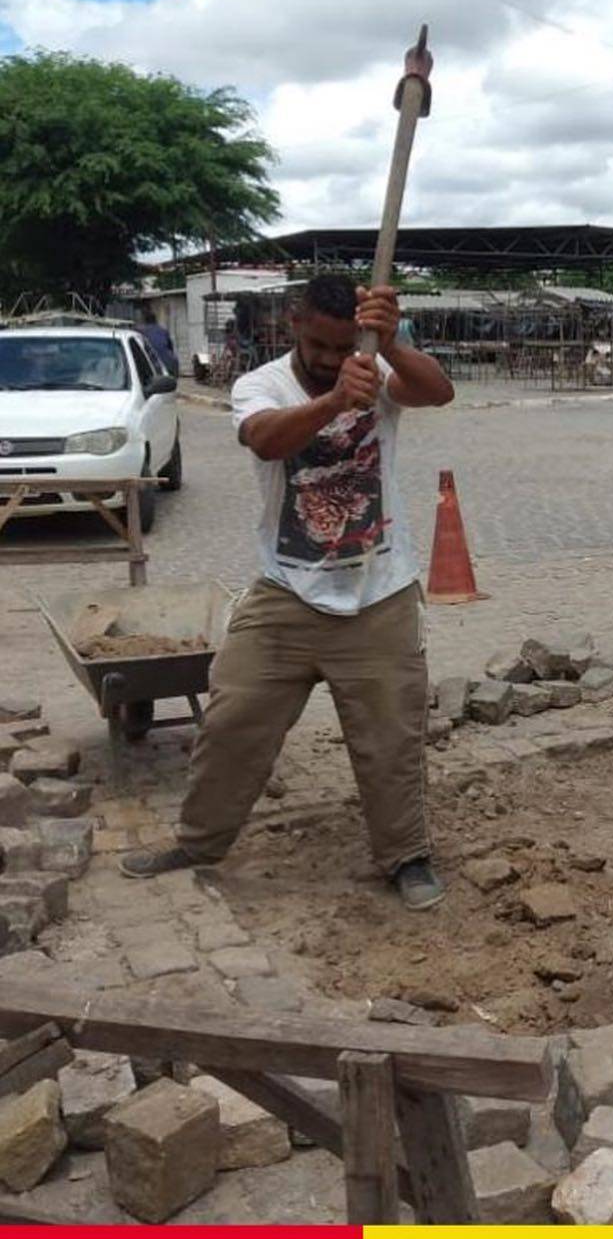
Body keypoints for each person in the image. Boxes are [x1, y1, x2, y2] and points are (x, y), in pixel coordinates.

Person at [119, 274, 455, 911]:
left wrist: (393, 345)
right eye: (320, 345)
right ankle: (199, 842)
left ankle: (406, 855)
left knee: (392, 739)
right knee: (233, 718)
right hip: (286, 593)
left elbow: (438, 392)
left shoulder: (375, 369)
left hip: (379, 592)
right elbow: (265, 439)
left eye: (342, 345)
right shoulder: (260, 384)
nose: (331, 359)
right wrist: (333, 403)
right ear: (295, 324)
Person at [138, 309, 179, 375]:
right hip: (168, 363)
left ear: (144, 321)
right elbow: (171, 347)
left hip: (151, 364)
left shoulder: (141, 331)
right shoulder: (163, 331)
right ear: (156, 320)